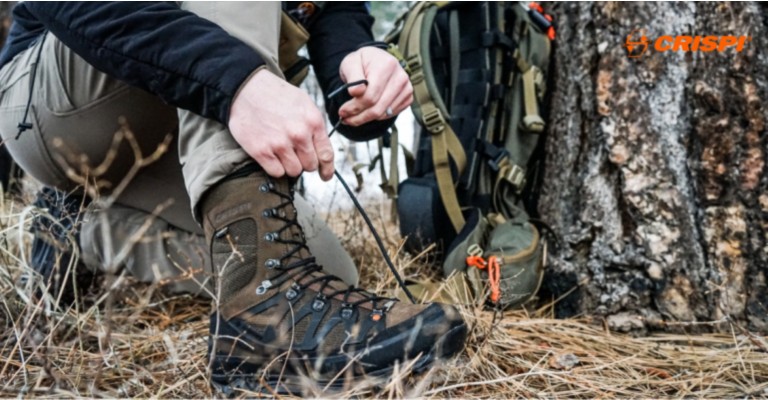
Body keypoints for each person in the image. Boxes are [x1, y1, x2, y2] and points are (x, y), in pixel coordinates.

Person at [0, 2, 467, 394]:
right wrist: (239, 81)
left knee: (327, 270)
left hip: (178, 106)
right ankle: (262, 308)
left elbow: (339, 27)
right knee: (272, 283)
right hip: (55, 101)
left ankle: (79, 231)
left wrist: (365, 73)